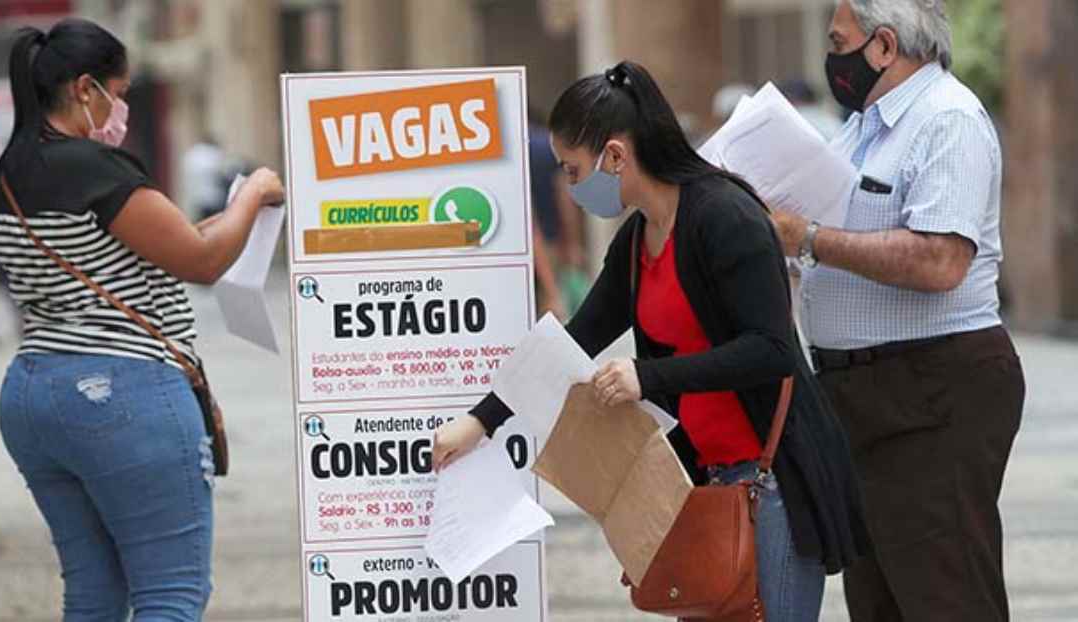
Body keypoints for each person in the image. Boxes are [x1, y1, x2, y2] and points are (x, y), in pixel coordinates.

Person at [433, 60, 869, 621]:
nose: (572, 188)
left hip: (770, 483)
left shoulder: (726, 217)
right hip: (702, 483)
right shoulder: (639, 238)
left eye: (573, 171)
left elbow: (772, 350)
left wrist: (647, 377)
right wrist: (481, 421)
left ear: (616, 156)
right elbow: (577, 338)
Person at [0, 19, 283, 621]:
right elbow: (201, 262)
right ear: (84, 89)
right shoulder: (97, 168)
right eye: (117, 94)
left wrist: (223, 220)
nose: (121, 109)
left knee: (94, 596)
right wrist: (253, 193)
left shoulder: (6, 177)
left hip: (32, 395)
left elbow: (158, 246)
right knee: (171, 593)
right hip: (121, 393)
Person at [771, 2, 1025, 620]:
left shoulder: (948, 119)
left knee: (945, 596)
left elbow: (940, 260)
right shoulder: (862, 129)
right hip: (859, 397)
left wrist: (808, 238)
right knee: (879, 601)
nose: (832, 58)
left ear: (884, 46)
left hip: (931, 391)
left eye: (839, 42)